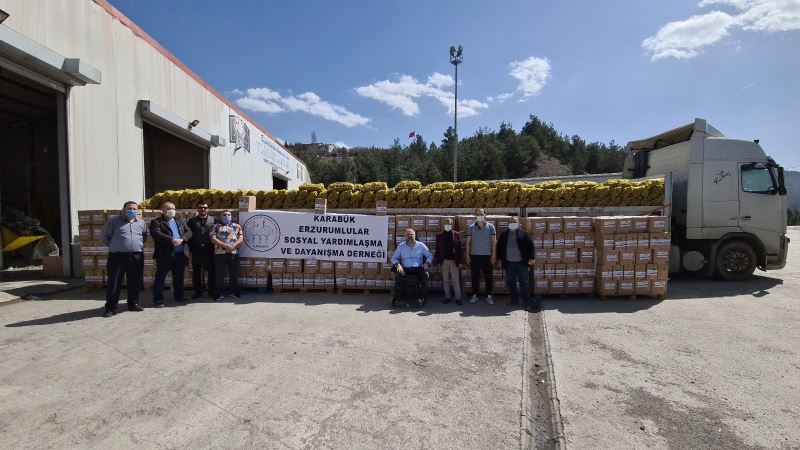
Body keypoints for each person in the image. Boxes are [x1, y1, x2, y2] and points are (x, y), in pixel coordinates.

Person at [100, 201, 147, 317]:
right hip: (117, 256)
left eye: (135, 209)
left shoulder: (141, 223)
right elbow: (105, 237)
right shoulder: (114, 222)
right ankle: (110, 307)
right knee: (114, 282)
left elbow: (144, 237)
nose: (132, 211)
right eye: (129, 208)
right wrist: (116, 246)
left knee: (135, 281)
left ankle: (133, 303)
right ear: (124, 209)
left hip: (136, 256)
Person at [150, 202, 193, 307]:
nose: (171, 210)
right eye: (169, 208)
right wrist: (172, 240)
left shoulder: (180, 221)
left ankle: (179, 295)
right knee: (160, 278)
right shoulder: (156, 222)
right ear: (163, 210)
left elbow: (189, 232)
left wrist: (182, 239)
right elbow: (156, 234)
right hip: (164, 255)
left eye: (173, 208)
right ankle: (158, 300)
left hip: (179, 254)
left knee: (179, 277)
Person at [496, 216, 538, 311]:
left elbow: (531, 246)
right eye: (511, 221)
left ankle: (527, 302)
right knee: (511, 283)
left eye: (514, 221)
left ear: (518, 223)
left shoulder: (524, 234)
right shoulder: (504, 235)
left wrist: (532, 258)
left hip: (521, 264)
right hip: (508, 264)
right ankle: (514, 300)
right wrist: (499, 260)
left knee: (524, 283)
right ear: (508, 223)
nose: (512, 223)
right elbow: (499, 248)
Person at [391, 228, 433, 304]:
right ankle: (397, 298)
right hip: (405, 269)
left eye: (411, 234)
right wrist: (398, 265)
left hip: (417, 269)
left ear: (415, 235)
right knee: (398, 276)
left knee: (424, 275)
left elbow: (430, 255)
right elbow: (394, 258)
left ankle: (421, 298)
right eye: (408, 234)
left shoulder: (421, 245)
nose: (410, 236)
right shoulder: (401, 246)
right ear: (405, 236)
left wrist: (427, 263)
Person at [466, 208, 497, 304]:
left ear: (485, 214)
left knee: (488, 277)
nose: (479, 216)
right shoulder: (471, 227)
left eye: (481, 214)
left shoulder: (491, 227)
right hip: (474, 256)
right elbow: (468, 243)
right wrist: (467, 255)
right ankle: (475, 295)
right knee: (474, 276)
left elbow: (494, 242)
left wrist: (494, 255)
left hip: (487, 256)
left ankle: (489, 296)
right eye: (477, 214)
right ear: (475, 215)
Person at [210, 210, 243, 300]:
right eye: (224, 215)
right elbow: (213, 239)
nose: (227, 216)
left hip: (233, 253)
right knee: (219, 275)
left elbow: (241, 237)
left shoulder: (237, 226)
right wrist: (225, 246)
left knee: (234, 274)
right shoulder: (216, 226)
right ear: (220, 217)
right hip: (219, 254)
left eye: (228, 215)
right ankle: (218, 294)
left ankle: (234, 292)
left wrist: (234, 245)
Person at [187, 201, 216, 299]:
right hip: (197, 249)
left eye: (205, 207)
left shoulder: (214, 220)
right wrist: (190, 250)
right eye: (200, 208)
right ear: (197, 209)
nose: (202, 209)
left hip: (210, 249)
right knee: (197, 271)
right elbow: (189, 236)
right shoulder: (192, 221)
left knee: (211, 270)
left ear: (208, 209)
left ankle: (211, 290)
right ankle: (198, 291)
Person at [434, 218, 463, 305]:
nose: (448, 225)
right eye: (446, 223)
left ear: (452, 224)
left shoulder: (456, 234)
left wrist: (460, 261)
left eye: (449, 223)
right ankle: (447, 297)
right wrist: (438, 262)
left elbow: (460, 249)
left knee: (455, 280)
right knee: (445, 280)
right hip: (444, 261)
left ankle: (458, 298)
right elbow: (437, 250)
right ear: (444, 224)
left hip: (454, 261)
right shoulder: (439, 235)